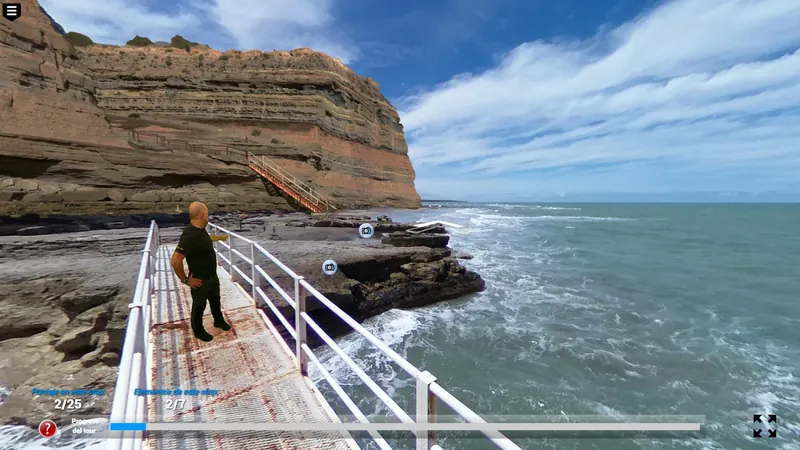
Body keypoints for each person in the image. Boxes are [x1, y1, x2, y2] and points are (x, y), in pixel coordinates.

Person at [170, 202, 232, 341]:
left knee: (215, 300)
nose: (208, 216)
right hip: (199, 280)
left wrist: (219, 238)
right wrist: (186, 280)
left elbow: (206, 238)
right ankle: (198, 331)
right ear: (202, 215)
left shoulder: (200, 230)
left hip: (211, 276)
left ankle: (218, 321)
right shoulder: (189, 235)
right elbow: (175, 260)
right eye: (207, 213)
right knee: (199, 305)